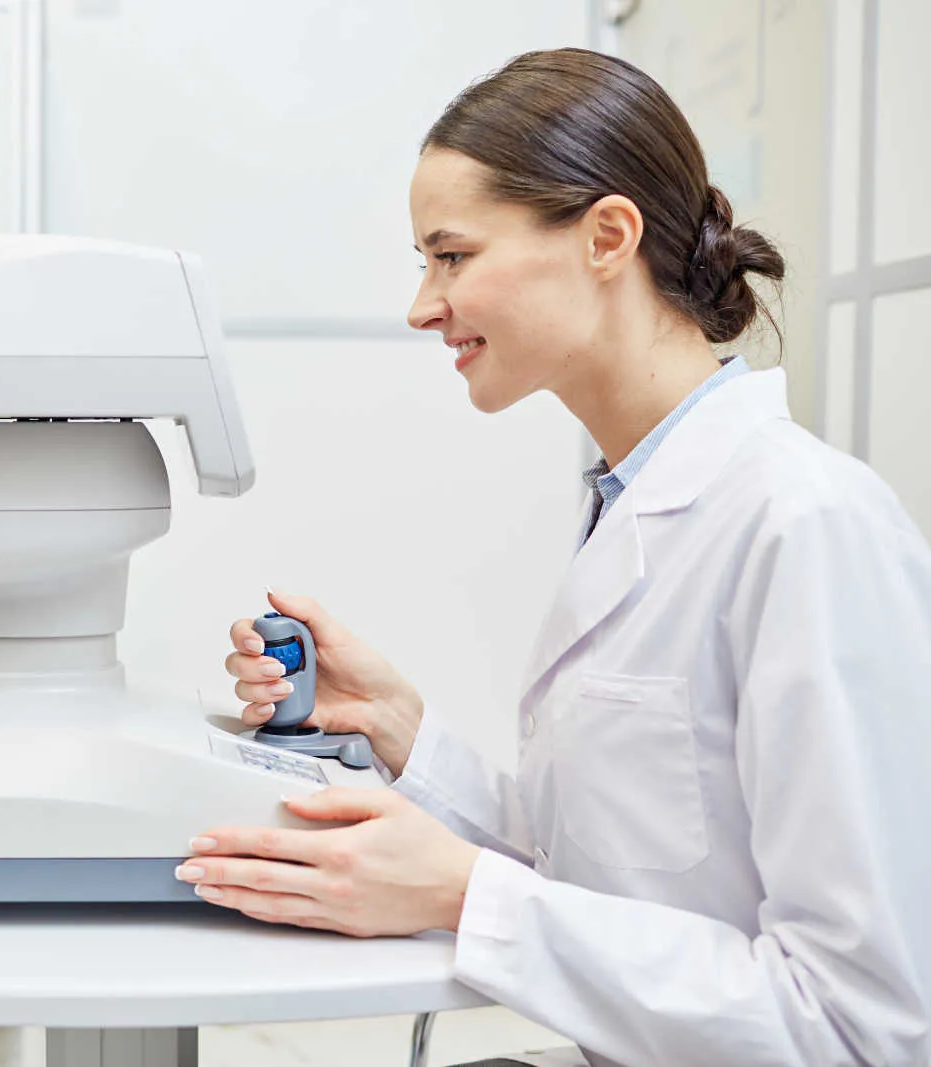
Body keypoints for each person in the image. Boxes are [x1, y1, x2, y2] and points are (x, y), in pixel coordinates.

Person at [176, 48, 931, 1067]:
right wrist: (404, 732)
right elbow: (622, 868)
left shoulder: (806, 526)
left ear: (606, 237)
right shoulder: (633, 498)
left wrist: (461, 892)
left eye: (450, 257)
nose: (421, 305)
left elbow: (858, 1024)